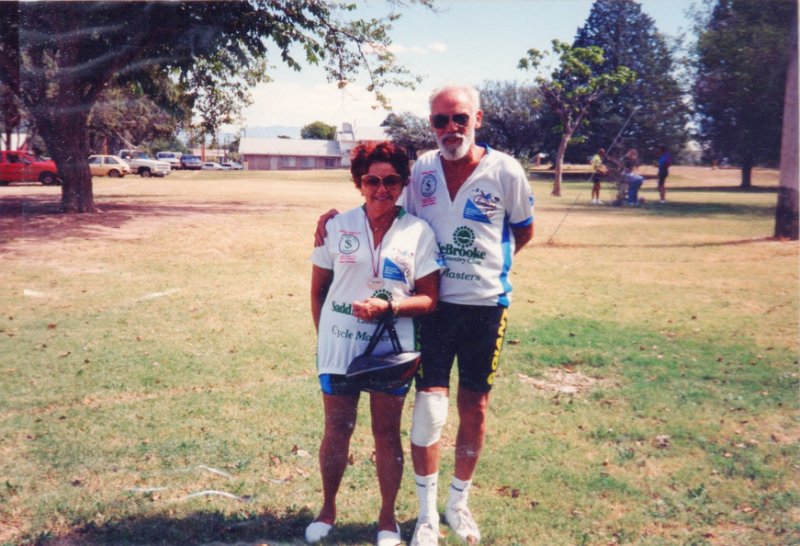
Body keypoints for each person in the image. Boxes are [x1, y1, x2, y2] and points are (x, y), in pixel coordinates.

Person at [314, 85, 534, 545]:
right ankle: (427, 515)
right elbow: (387, 217)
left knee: (474, 406)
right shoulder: (424, 170)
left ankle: (458, 502)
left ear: (477, 118)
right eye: (440, 120)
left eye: (459, 119)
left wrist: (482, 268)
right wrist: (333, 220)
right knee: (430, 411)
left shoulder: (506, 170)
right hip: (432, 313)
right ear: (430, 123)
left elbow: (522, 232)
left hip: (484, 306)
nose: (450, 129)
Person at [308, 141, 441, 546]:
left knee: (386, 433)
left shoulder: (418, 231)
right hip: (339, 344)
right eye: (372, 180)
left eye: (391, 181)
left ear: (402, 184)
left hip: (391, 348)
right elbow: (318, 291)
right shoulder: (336, 226)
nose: (381, 189)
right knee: (337, 429)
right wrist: (326, 336)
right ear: (359, 183)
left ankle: (387, 520)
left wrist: (389, 307)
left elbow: (429, 298)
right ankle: (327, 510)